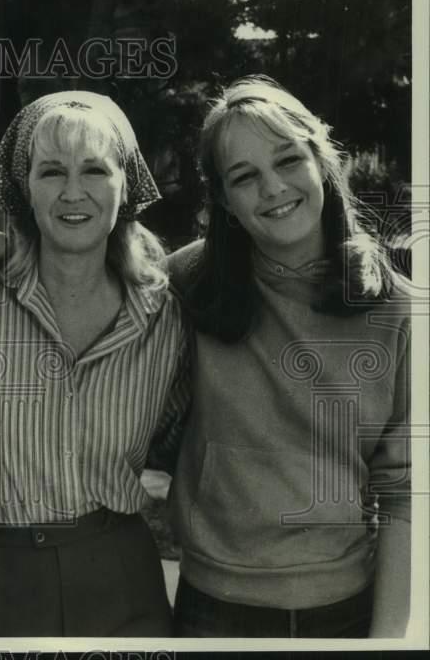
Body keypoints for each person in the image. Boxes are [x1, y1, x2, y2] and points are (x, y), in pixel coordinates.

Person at [165, 76, 411, 638]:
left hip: (343, 606)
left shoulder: (393, 305)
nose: (273, 188)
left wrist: (387, 640)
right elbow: (93, 286)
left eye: (287, 160)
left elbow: (405, 491)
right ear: (224, 201)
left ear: (323, 163)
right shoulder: (187, 280)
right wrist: (5, 245)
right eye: (244, 177)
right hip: (212, 605)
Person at [0, 91, 187, 636]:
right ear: (24, 188)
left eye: (95, 170)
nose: (73, 192)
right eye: (51, 172)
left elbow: (180, 438)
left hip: (122, 581)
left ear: (127, 185)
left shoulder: (163, 315)